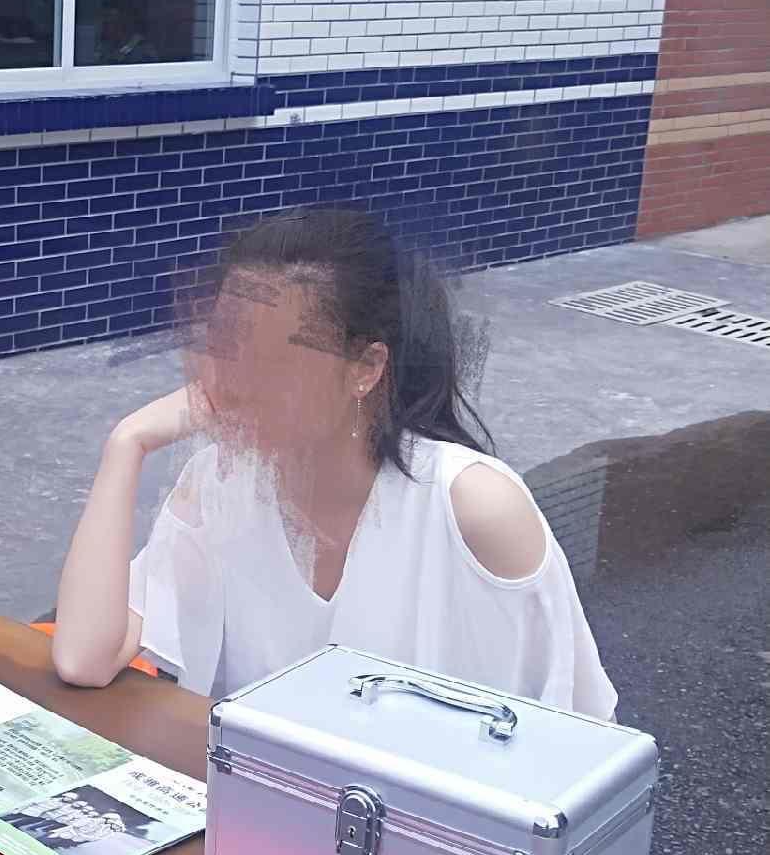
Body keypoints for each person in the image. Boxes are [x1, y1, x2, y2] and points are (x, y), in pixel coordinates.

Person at [51, 205, 617, 717]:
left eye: (273, 359)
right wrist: (127, 444)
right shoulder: (221, 484)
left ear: (365, 368)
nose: (233, 382)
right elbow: (84, 658)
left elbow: (580, 741)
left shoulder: (471, 508)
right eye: (225, 348)